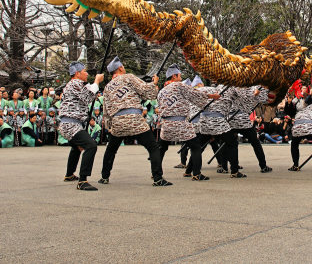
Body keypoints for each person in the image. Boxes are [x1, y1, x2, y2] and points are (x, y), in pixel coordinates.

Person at [96, 57, 171, 186]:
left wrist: (109, 126)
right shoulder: (129, 77)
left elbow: (106, 110)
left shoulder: (107, 87)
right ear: (120, 68)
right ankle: (158, 178)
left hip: (118, 121)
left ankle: (104, 176)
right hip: (135, 119)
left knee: (111, 149)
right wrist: (154, 83)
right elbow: (147, 92)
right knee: (153, 147)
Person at [157, 64, 218, 181]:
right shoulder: (179, 86)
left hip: (166, 124)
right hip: (181, 123)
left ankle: (156, 173)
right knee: (195, 147)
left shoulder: (162, 91)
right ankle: (196, 173)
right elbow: (195, 93)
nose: (180, 77)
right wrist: (211, 96)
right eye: (179, 75)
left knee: (162, 148)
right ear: (174, 76)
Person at [58, 61, 104, 191]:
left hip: (69, 123)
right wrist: (97, 81)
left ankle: (69, 174)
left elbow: (87, 95)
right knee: (91, 146)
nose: (86, 73)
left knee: (76, 148)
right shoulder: (75, 83)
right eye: (84, 71)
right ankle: (83, 180)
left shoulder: (74, 84)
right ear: (77, 73)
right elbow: (88, 97)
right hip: (71, 123)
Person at [188, 79, 245, 178]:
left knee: (198, 147)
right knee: (232, 143)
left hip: (205, 121)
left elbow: (195, 93)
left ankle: (190, 171)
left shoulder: (209, 89)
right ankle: (235, 171)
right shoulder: (232, 90)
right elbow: (242, 100)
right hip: (218, 122)